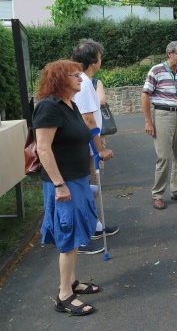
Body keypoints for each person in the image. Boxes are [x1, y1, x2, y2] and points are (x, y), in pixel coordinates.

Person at [34, 60, 103, 316]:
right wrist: (59, 184)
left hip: (77, 179)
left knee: (75, 233)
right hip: (63, 183)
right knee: (67, 236)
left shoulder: (70, 105)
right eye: (75, 75)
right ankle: (64, 296)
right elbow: (43, 148)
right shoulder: (48, 107)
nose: (81, 79)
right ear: (61, 79)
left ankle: (71, 281)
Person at [71, 39, 117, 255]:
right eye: (99, 56)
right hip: (86, 146)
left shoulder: (80, 79)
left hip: (84, 145)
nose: (101, 60)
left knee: (88, 188)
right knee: (85, 189)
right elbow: (88, 118)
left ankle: (94, 226)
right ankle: (83, 235)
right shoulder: (85, 82)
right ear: (93, 60)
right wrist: (100, 149)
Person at [141, 41, 177, 210]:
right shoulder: (156, 70)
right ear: (169, 54)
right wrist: (148, 121)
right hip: (162, 114)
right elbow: (145, 95)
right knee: (164, 157)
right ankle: (157, 194)